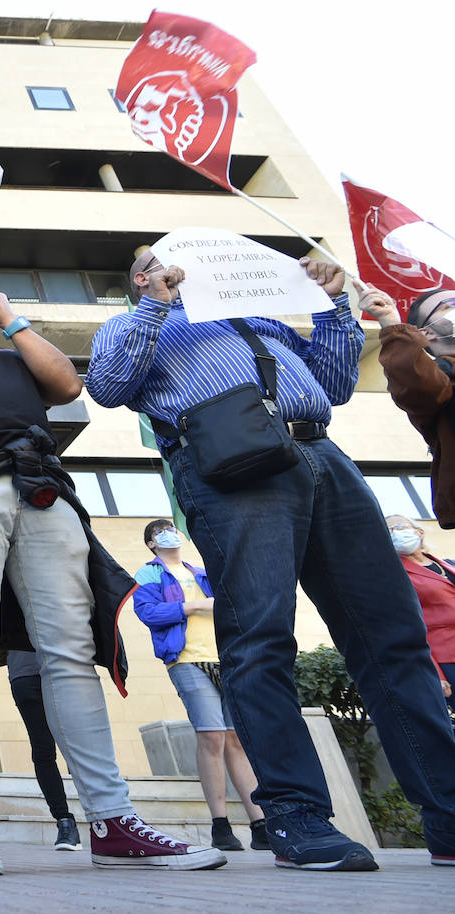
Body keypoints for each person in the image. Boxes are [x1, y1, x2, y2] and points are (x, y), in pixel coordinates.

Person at [86, 251, 455, 870]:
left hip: (322, 455)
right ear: (141, 277)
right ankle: (295, 816)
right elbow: (110, 385)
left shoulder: (260, 318)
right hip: (236, 464)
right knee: (259, 637)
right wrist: (156, 304)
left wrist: (336, 307)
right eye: (164, 262)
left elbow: (334, 385)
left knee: (393, 635)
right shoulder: (134, 322)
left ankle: (446, 813)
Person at [0, 266, 225, 876]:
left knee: (69, 647)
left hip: (40, 487)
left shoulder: (12, 355)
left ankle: (112, 820)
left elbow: (67, 387)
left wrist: (9, 316)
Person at [131, 519, 268, 852]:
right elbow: (148, 612)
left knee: (236, 739)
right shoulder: (149, 574)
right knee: (211, 735)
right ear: (151, 544)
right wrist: (194, 605)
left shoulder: (203, 572)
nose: (169, 535)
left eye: (172, 529)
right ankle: (220, 825)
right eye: (159, 532)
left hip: (226, 659)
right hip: (187, 660)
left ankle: (260, 823)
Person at [371, 289, 455, 527]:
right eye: (450, 303)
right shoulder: (441, 377)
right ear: (427, 333)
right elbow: (416, 384)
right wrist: (391, 324)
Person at [4, 650, 81, 852]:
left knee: (80, 748)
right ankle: (64, 821)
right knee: (43, 749)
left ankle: (104, 816)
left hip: (63, 668)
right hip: (23, 672)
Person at [385, 515, 455, 712]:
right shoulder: (397, 576)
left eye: (399, 526)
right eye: (389, 531)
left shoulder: (447, 564)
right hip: (447, 657)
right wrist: (437, 674)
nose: (396, 533)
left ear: (420, 532)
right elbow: (410, 627)